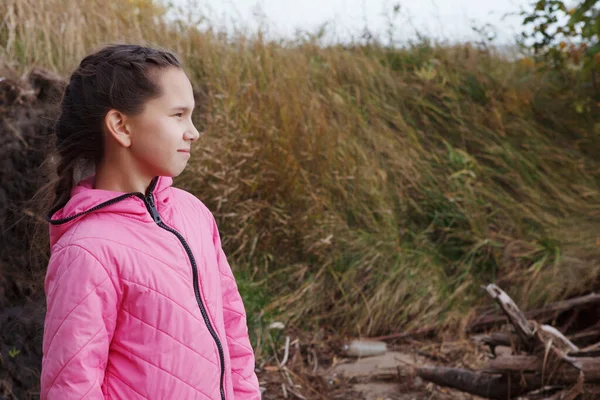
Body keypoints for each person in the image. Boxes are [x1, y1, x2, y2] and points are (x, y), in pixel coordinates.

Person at [39, 44, 261, 399]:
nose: (193, 132)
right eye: (178, 115)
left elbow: (233, 330)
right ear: (121, 126)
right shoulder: (87, 250)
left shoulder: (193, 213)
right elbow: (72, 386)